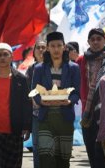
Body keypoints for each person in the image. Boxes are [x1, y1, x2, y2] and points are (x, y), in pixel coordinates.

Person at [31, 31, 80, 168]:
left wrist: (70, 101)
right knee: (46, 157)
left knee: (63, 159)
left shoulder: (73, 68)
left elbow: (76, 92)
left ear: (64, 47)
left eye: (59, 45)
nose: (56, 49)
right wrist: (41, 101)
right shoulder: (39, 68)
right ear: (47, 47)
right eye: (53, 46)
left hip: (65, 118)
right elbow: (34, 91)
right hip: (45, 117)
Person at [77, 28, 105, 168]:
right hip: (87, 112)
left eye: (99, 39)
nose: (96, 42)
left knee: (104, 153)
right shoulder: (81, 59)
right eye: (93, 39)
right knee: (91, 150)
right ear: (88, 42)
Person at [25, 40, 46, 168]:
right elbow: (27, 94)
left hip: (53, 114)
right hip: (36, 114)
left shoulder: (55, 67)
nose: (41, 50)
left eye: (44, 47)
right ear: (34, 51)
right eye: (38, 47)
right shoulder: (31, 69)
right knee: (37, 148)